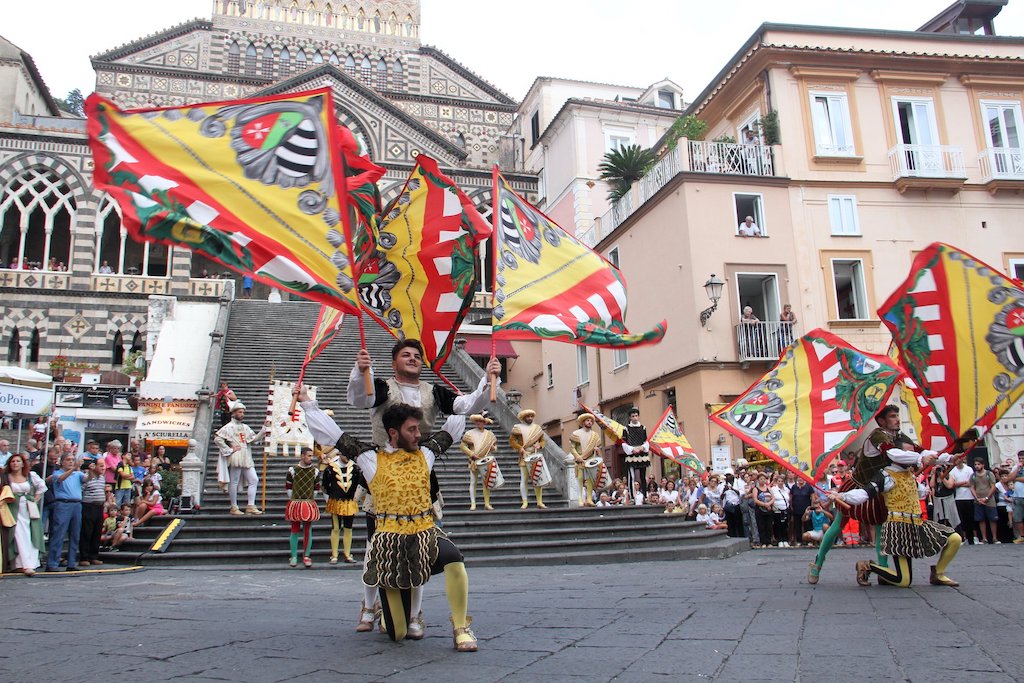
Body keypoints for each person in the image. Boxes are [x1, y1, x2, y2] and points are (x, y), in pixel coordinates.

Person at [300, 387, 479, 652]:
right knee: (397, 633)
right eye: (412, 430)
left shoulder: (426, 453)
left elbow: (452, 430)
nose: (419, 434)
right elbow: (333, 434)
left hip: (424, 532)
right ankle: (386, 606)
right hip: (389, 543)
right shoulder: (370, 458)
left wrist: (463, 401)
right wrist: (308, 405)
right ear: (394, 433)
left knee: (454, 559)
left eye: (418, 429)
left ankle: (461, 627)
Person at [807, 405, 917, 584]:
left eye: (897, 415)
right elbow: (894, 452)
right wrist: (919, 458)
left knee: (881, 527)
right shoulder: (878, 436)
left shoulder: (899, 436)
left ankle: (882, 570)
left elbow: (916, 449)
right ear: (881, 421)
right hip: (856, 486)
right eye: (892, 416)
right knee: (838, 525)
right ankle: (817, 563)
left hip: (878, 488)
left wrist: (943, 457)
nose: (897, 419)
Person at [830, 447, 962, 588]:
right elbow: (865, 493)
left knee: (955, 539)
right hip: (898, 530)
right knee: (904, 580)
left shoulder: (909, 474)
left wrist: (950, 459)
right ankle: (868, 566)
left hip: (916, 523)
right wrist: (842, 496)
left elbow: (925, 469)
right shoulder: (885, 475)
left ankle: (938, 573)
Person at [347, 339, 501, 447]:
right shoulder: (381, 388)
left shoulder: (434, 392)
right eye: (406, 355)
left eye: (417, 357)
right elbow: (360, 400)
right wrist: (361, 373)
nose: (413, 359)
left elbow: (468, 405)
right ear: (394, 364)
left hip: (421, 467)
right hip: (381, 467)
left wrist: (488, 378)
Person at [214, 400, 269, 515]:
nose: (242, 414)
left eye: (243, 412)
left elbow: (254, 439)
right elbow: (218, 439)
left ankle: (250, 505)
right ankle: (234, 506)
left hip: (246, 455)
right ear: (233, 413)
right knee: (234, 481)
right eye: (240, 412)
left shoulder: (245, 427)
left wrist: (264, 428)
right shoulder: (228, 427)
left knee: (254, 479)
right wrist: (229, 449)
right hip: (236, 455)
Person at [2, 453, 46, 575]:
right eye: (13, 461)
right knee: (17, 535)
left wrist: (35, 499)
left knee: (30, 534)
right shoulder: (6, 477)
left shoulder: (30, 476)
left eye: (18, 461)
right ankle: (19, 564)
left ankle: (30, 563)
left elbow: (42, 487)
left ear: (22, 463)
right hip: (13, 510)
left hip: (28, 510)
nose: (15, 463)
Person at [320, 442, 364, 564]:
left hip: (349, 502)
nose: (347, 458)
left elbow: (358, 484)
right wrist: (328, 500)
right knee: (336, 528)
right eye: (345, 456)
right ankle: (334, 555)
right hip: (335, 502)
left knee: (348, 528)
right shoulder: (330, 468)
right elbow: (324, 486)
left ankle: (347, 553)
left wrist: (357, 498)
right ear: (340, 454)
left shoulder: (355, 468)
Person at [46, 452, 86, 572]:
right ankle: (52, 563)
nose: (70, 461)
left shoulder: (78, 473)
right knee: (59, 534)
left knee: (75, 534)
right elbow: (60, 479)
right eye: (68, 459)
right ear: (62, 462)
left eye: (72, 459)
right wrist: (74, 468)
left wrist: (92, 471)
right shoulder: (56, 473)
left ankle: (72, 562)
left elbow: (87, 479)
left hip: (77, 504)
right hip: (63, 503)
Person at [285, 447, 321, 567]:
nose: (311, 458)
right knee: (294, 529)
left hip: (308, 502)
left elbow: (316, 487)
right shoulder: (293, 470)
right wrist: (294, 499)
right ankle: (294, 556)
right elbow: (288, 486)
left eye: (312, 456)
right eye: (309, 455)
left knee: (307, 530)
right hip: (296, 501)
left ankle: (306, 556)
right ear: (302, 456)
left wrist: (310, 499)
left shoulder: (315, 471)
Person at [508, 408, 550, 509]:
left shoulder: (537, 428)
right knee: (524, 479)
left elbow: (543, 441)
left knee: (538, 478)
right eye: (528, 416)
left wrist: (539, 445)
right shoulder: (517, 427)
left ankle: (539, 501)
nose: (530, 418)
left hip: (535, 454)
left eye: (531, 416)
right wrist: (520, 448)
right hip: (524, 455)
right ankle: (525, 501)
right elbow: (512, 441)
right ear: (524, 418)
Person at [461, 414, 503, 511]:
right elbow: (462, 446)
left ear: (484, 422)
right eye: (477, 421)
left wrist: (493, 448)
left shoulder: (490, 434)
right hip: (474, 460)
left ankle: (487, 503)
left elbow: (495, 448)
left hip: (486, 460)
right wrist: (471, 454)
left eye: (480, 421)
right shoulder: (469, 433)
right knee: (473, 482)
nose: (478, 423)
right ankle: (473, 503)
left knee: (486, 482)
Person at [570, 413, 607, 507]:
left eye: (591, 421)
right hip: (580, 460)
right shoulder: (576, 433)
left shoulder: (595, 435)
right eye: (587, 420)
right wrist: (577, 456)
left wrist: (597, 450)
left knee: (590, 480)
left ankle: (589, 499)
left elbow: (598, 447)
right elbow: (572, 447)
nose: (589, 422)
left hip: (590, 461)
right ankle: (580, 499)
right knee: (580, 479)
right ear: (583, 422)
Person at [78, 458, 107, 567]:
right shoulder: (87, 477)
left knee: (97, 532)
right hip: (88, 506)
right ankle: (84, 557)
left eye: (103, 465)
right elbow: (82, 489)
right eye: (100, 465)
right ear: (94, 466)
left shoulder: (102, 478)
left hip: (99, 506)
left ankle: (94, 556)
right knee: (87, 532)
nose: (103, 468)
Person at [621, 408, 651, 494]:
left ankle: (645, 495)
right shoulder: (626, 428)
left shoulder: (643, 428)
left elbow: (646, 440)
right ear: (630, 417)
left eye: (636, 416)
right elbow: (624, 442)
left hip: (642, 453)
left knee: (643, 475)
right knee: (632, 476)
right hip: (631, 454)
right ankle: (632, 496)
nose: (635, 418)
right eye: (633, 416)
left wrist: (642, 447)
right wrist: (632, 449)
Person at [969, 459, 999, 544]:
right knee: (980, 519)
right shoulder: (973, 476)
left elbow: (993, 486)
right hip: (978, 500)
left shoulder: (989, 474)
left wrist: (986, 498)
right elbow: (972, 487)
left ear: (983, 465)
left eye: (979, 464)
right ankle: (984, 538)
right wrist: (977, 498)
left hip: (989, 500)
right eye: (975, 464)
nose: (977, 466)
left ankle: (994, 538)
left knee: (992, 519)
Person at [770, 472, 791, 547]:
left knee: (785, 525)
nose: (780, 483)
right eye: (779, 481)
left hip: (785, 509)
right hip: (777, 510)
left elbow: (788, 499)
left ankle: (785, 539)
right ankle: (779, 540)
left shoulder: (786, 489)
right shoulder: (773, 489)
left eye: (782, 481)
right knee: (778, 525)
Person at [1012, 451, 1024, 543]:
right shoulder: (1016, 467)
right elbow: (1009, 477)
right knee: (1018, 517)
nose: (1021, 460)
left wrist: (1016, 478)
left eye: (1023, 458)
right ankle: (1022, 536)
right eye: (1019, 458)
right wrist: (1017, 470)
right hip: (1017, 496)